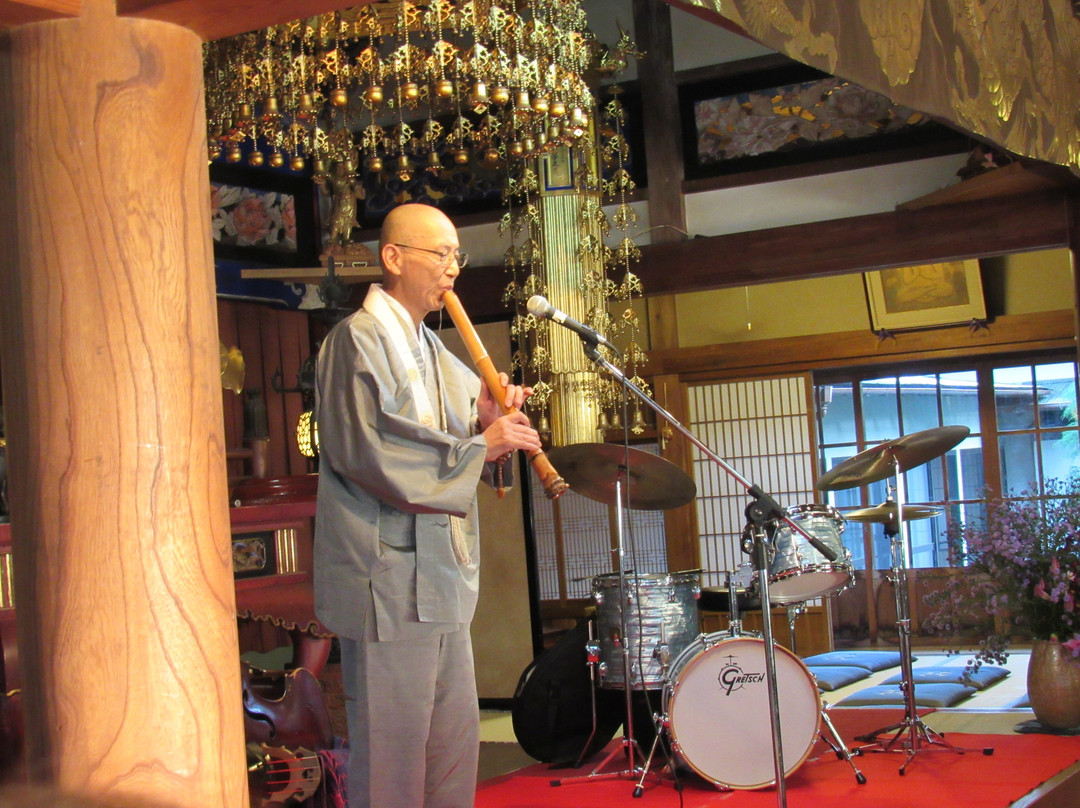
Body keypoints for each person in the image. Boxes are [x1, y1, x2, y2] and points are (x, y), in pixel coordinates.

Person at [313, 202, 541, 808]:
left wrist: (489, 423)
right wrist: (477, 446)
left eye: (456, 257)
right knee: (391, 753)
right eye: (440, 254)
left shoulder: (433, 348)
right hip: (385, 573)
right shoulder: (355, 341)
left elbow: (465, 433)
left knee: (452, 747)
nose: (452, 270)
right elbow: (371, 449)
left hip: (442, 573)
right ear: (393, 257)